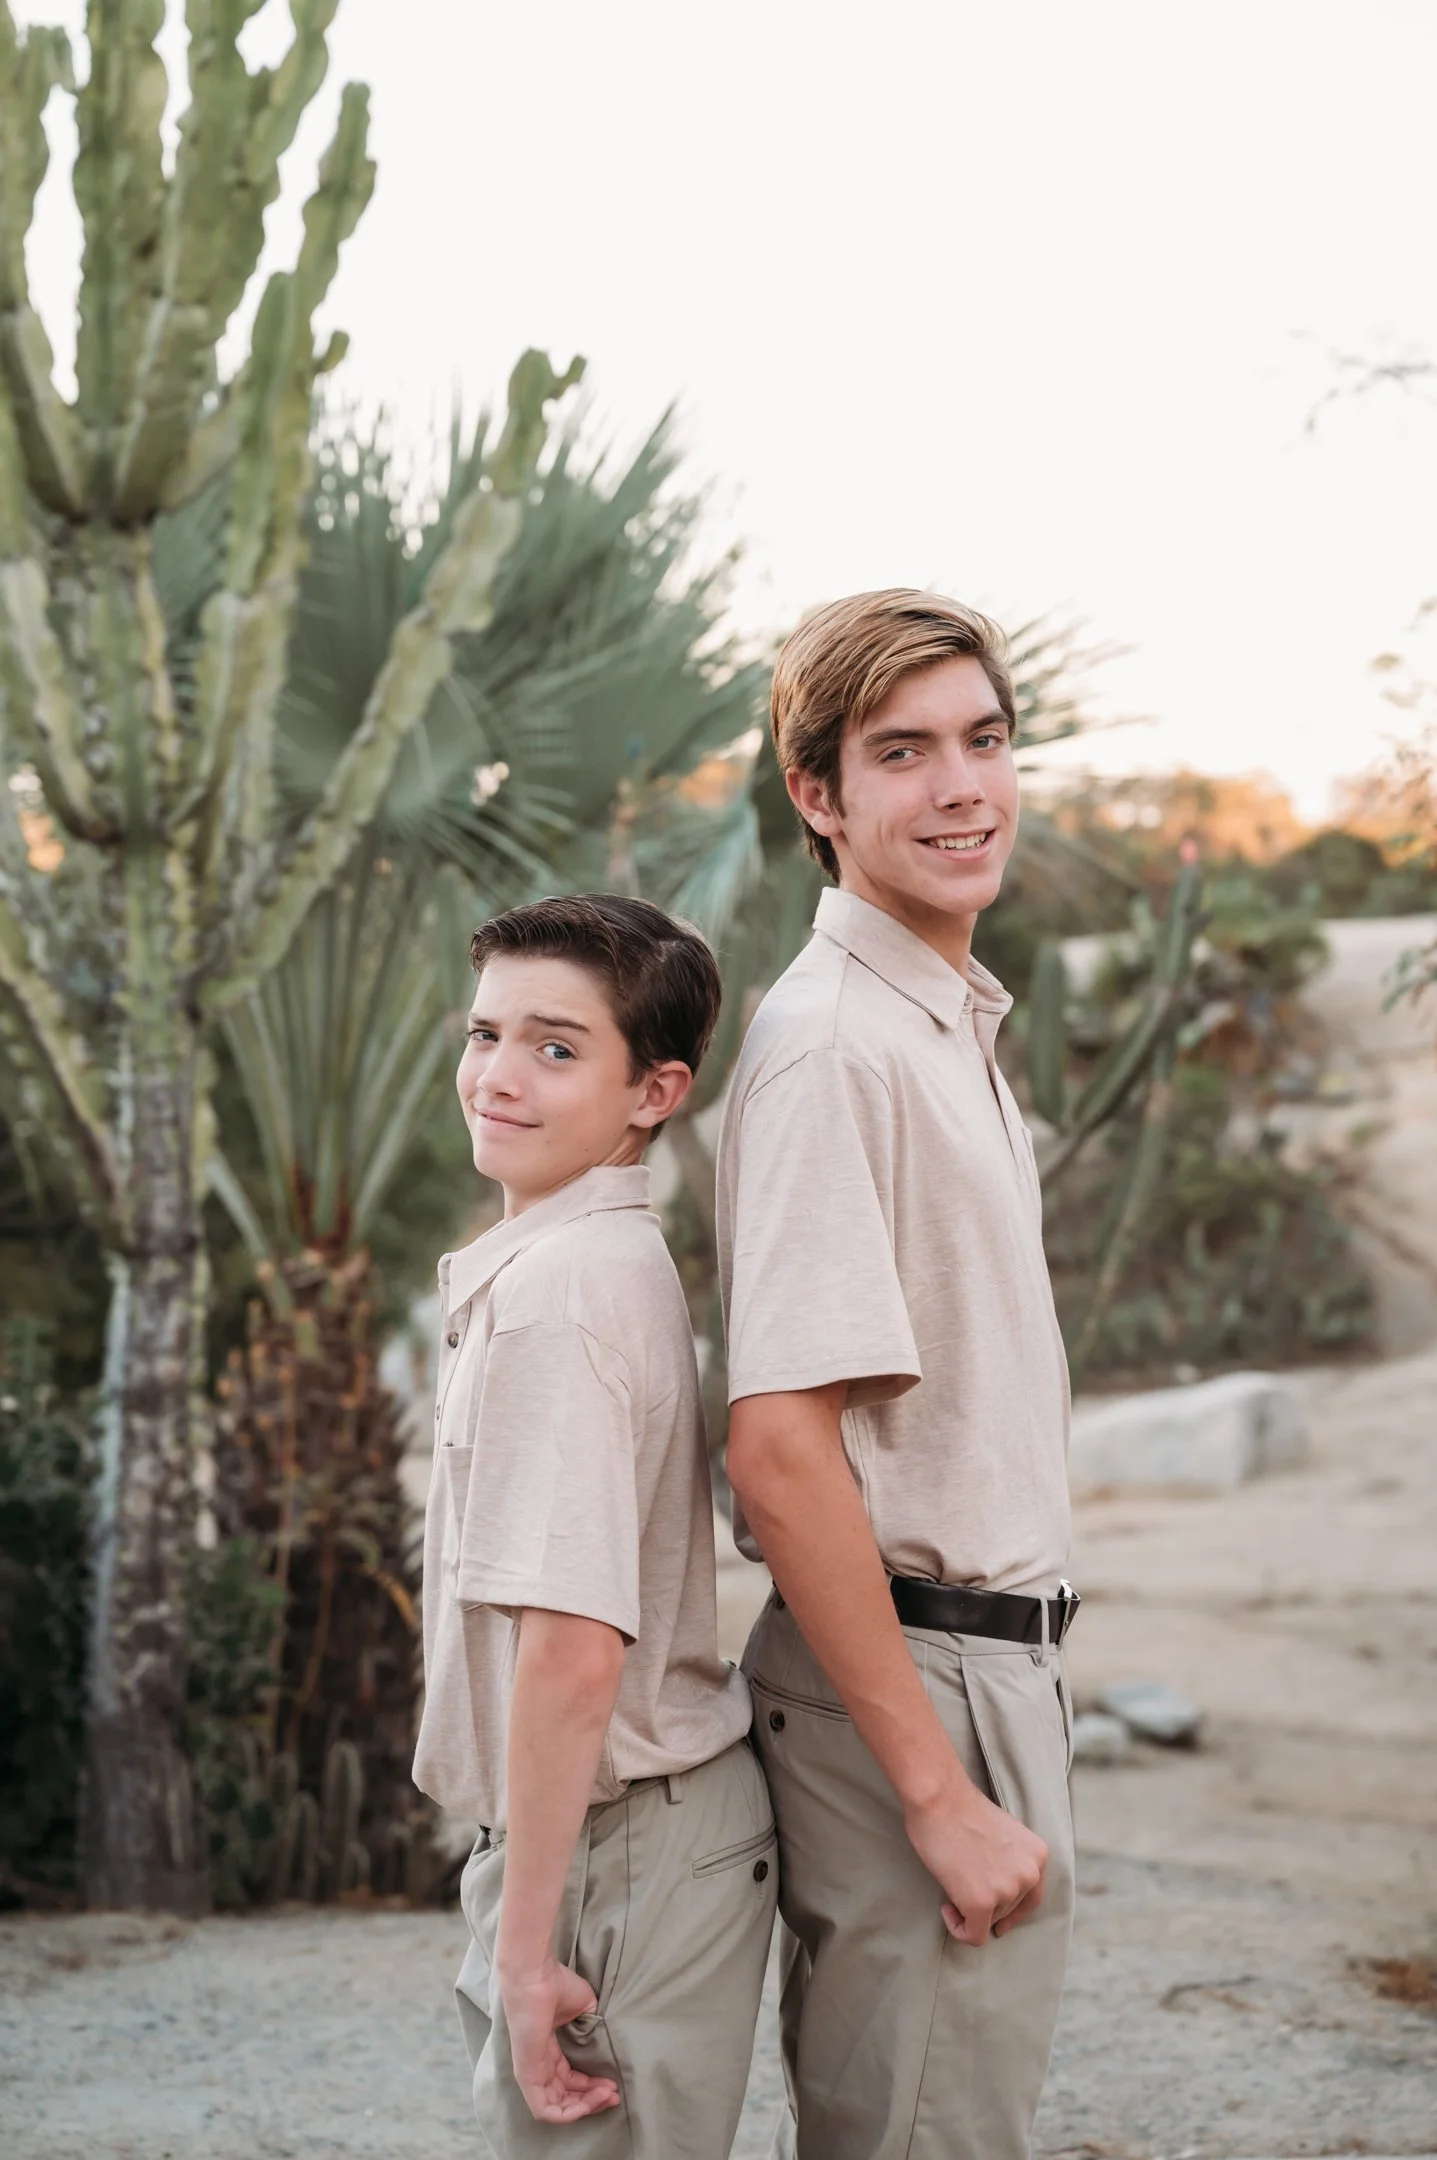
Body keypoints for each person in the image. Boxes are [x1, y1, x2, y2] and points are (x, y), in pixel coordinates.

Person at [717, 590, 1079, 2160]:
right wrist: (934, 1790)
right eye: (904, 752)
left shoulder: (941, 1021)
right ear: (819, 795)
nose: (961, 788)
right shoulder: (834, 1049)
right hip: (914, 1683)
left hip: (986, 1671)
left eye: (985, 742)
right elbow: (780, 1454)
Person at [414, 894, 776, 2157]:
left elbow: (573, 1646)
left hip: (610, 1843)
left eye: (556, 1049)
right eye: (486, 1033)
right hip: (619, 1834)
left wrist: (525, 1956)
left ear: (654, 1092)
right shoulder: (583, 1261)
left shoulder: (560, 1301)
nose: (497, 1077)